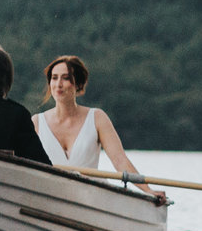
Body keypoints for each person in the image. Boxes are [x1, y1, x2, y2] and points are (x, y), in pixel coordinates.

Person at [35, 54, 162, 201]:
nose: (58, 84)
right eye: (54, 78)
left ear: (78, 84)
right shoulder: (37, 122)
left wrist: (148, 190)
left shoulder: (97, 118)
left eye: (66, 78)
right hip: (50, 196)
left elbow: (120, 160)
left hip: (91, 198)